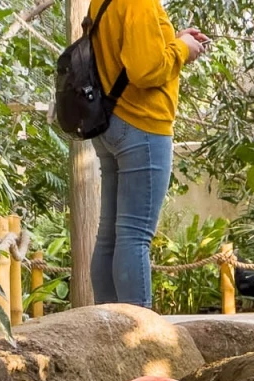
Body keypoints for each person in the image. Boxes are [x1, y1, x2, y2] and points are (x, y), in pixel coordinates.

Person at [89, 0, 208, 308]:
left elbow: (129, 51)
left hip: (110, 120)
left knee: (110, 233)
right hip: (142, 124)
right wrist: (182, 49)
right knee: (134, 234)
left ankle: (104, 324)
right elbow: (145, 71)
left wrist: (175, 39)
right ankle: (138, 328)